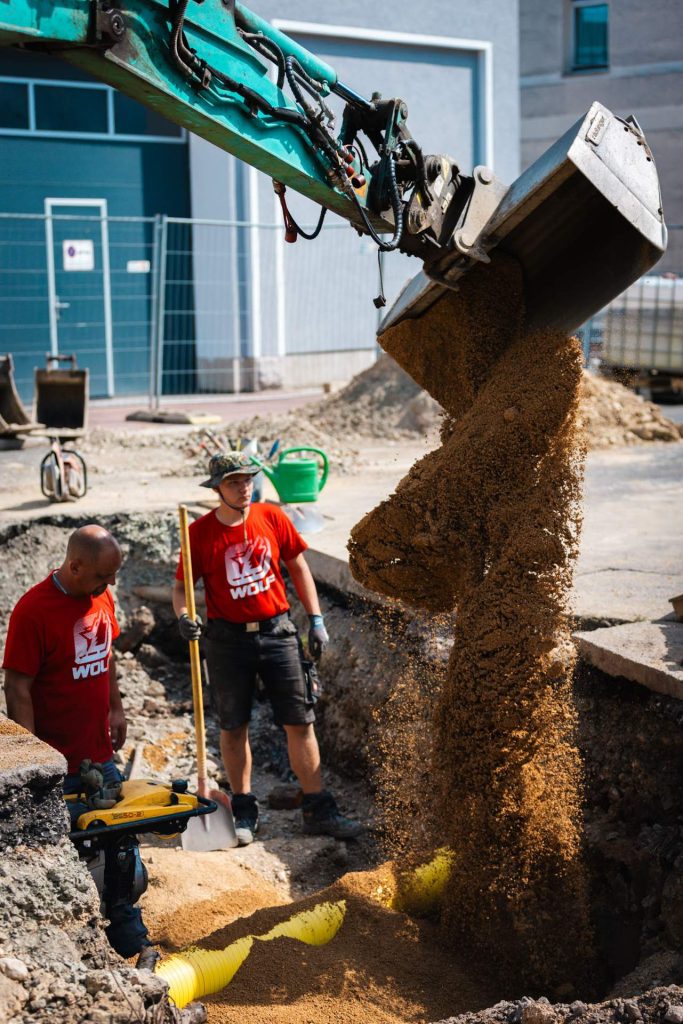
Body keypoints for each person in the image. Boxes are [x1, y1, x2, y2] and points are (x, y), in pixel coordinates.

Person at [173, 451, 363, 846]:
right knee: (232, 724)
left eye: (248, 480)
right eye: (234, 482)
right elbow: (181, 588)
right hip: (226, 639)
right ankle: (243, 807)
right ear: (217, 488)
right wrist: (184, 616)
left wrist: (315, 619)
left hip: (278, 632)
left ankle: (317, 808)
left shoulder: (272, 517)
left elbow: (298, 566)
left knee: (299, 720)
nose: (244, 488)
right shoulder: (200, 534)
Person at [2, 524, 151, 959]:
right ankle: (74, 943)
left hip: (98, 752)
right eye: (104, 577)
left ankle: (127, 934)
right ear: (74, 565)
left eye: (114, 576)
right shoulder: (33, 611)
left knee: (121, 842)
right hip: (57, 763)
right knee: (68, 851)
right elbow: (18, 688)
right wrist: (34, 761)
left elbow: (107, 656)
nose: (111, 586)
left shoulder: (99, 593)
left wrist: (116, 707)